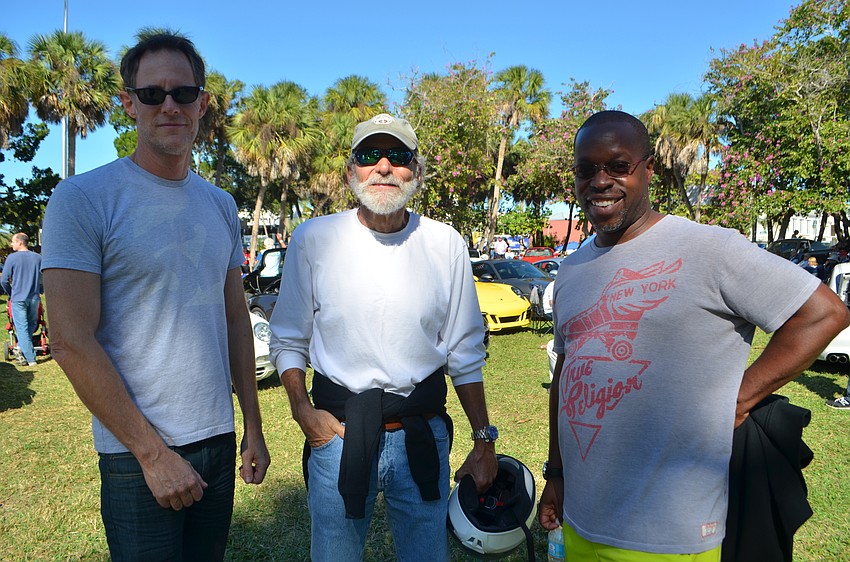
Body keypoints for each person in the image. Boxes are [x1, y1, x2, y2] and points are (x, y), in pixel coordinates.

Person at [538, 110, 850, 561]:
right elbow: (568, 373)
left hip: (669, 533)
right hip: (582, 519)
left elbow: (823, 313)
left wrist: (739, 400)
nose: (600, 180)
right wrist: (557, 473)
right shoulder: (572, 270)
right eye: (586, 169)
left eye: (618, 165)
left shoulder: (710, 248)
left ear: (648, 169)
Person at [40, 32, 269, 561]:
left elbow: (236, 320)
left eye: (183, 93)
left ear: (202, 103)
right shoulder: (82, 200)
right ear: (128, 102)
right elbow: (71, 341)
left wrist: (252, 427)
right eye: (152, 94)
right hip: (135, 456)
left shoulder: (220, 204)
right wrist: (152, 454)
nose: (169, 105)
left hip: (216, 440)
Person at [269, 113, 498, 561]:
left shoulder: (444, 242)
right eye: (370, 155)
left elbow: (464, 352)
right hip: (338, 437)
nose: (384, 167)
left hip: (422, 435)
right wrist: (304, 413)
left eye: (398, 156)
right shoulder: (314, 239)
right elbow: (289, 338)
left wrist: (483, 440)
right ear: (350, 169)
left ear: (418, 168)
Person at [0, 232, 42, 366]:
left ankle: (30, 358)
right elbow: (43, 278)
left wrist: (10, 293)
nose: (11, 244)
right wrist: (40, 291)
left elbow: (4, 280)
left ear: (20, 242)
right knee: (32, 324)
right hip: (34, 298)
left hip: (18, 298)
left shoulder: (12, 258)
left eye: (13, 241)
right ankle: (21, 347)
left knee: (22, 327)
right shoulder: (38, 258)